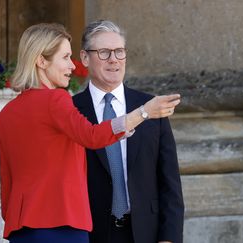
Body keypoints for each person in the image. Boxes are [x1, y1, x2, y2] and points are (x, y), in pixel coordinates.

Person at [0, 23, 180, 243]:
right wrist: (143, 113)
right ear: (41, 60)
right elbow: (92, 136)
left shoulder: (6, 113)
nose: (71, 66)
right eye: (65, 57)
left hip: (22, 228)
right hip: (65, 224)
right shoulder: (59, 102)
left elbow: (7, 180)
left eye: (120, 52)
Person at [73, 20, 184, 243]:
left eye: (119, 52)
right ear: (85, 58)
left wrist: (169, 238)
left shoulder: (151, 106)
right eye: (104, 52)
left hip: (146, 232)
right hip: (91, 234)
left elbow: (169, 181)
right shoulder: (71, 110)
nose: (114, 59)